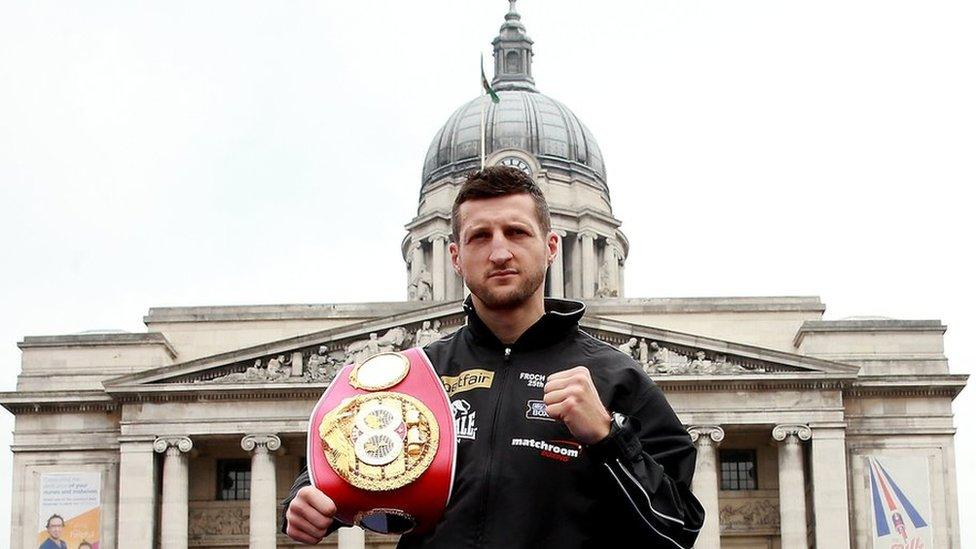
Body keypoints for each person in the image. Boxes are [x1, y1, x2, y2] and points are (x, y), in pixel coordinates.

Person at [281, 166, 704, 548]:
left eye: (517, 232)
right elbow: (348, 454)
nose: (500, 253)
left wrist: (610, 438)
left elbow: (679, 527)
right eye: (480, 236)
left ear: (552, 245)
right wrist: (307, 498)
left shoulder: (617, 378)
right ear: (454, 257)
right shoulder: (417, 375)